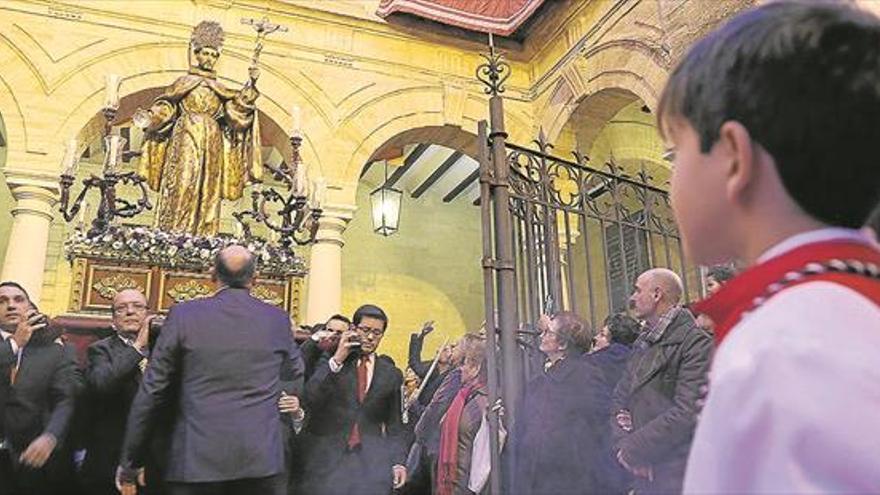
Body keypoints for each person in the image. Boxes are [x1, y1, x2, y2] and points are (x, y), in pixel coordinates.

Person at [653, 2, 880, 492]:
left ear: (734, 158)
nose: (670, 179)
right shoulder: (841, 308)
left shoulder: (782, 346)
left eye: (675, 152)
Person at [117, 246, 304, 495]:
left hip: (196, 460)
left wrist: (131, 460)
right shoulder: (277, 318)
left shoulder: (184, 314)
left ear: (212, 275)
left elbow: (152, 390)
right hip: (260, 460)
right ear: (255, 279)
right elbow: (295, 370)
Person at [134, 20, 262, 236]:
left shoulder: (219, 88)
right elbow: (168, 105)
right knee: (183, 181)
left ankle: (204, 233)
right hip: (186, 133)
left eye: (214, 55)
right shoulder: (184, 82)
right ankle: (175, 231)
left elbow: (237, 111)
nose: (209, 59)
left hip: (212, 137)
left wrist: (252, 83)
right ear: (197, 54)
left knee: (208, 186)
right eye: (206, 53)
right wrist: (153, 117)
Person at [611, 268, 712, 494]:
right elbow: (620, 399)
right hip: (643, 472)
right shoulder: (642, 342)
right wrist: (626, 449)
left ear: (657, 295)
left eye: (638, 290)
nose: (632, 298)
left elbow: (687, 411)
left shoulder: (696, 343)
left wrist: (635, 450)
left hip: (675, 473)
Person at [301, 304, 407, 495]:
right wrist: (338, 359)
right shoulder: (332, 360)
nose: (371, 337)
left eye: (377, 332)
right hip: (326, 461)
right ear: (353, 329)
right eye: (365, 330)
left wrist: (399, 462)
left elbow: (394, 423)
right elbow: (310, 398)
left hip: (368, 465)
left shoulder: (391, 374)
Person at [509, 311, 611, 495]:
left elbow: (598, 429)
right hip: (536, 477)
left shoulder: (587, 377)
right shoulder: (541, 379)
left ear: (563, 344)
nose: (542, 335)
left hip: (567, 479)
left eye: (548, 332)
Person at [80, 288, 168, 495]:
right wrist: (137, 347)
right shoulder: (100, 350)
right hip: (114, 457)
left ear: (148, 315)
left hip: (159, 460)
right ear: (113, 321)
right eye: (121, 308)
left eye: (138, 306)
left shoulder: (165, 349)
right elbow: (102, 385)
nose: (130, 311)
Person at [0, 281, 78, 495]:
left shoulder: (57, 352)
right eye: (2, 301)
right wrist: (14, 344)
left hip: (32, 459)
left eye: (18, 299)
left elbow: (66, 398)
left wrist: (51, 436)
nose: (11, 305)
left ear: (30, 308)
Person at [435, 333, 489, 495]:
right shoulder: (465, 395)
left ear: (475, 367)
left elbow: (472, 453)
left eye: (462, 364)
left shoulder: (480, 402)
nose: (459, 370)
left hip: (464, 487)